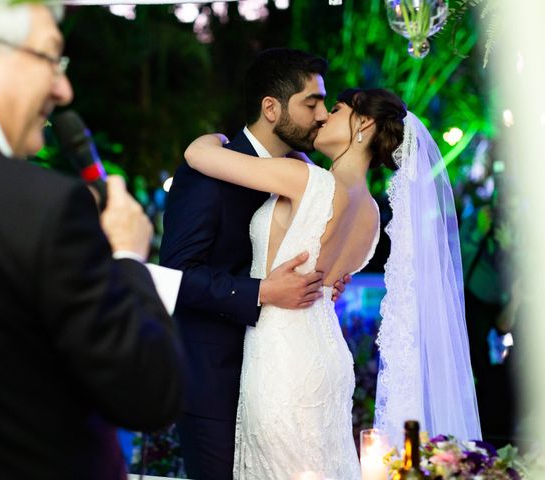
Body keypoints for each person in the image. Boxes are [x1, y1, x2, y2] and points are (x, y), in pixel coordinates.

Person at [0, 2, 185, 479]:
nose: (63, 88)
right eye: (50, 59)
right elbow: (151, 392)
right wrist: (127, 256)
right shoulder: (46, 208)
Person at [185, 88, 481, 478]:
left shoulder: (304, 179)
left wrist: (218, 140)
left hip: (282, 355)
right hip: (327, 355)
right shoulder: (372, 215)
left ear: (365, 124)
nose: (323, 117)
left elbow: (197, 155)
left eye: (337, 109)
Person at [159, 48, 350, 480]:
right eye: (311, 103)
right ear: (271, 107)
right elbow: (175, 275)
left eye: (324, 103)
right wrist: (263, 291)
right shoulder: (208, 171)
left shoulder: (303, 175)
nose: (321, 115)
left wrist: (325, 280)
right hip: (216, 382)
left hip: (283, 381)